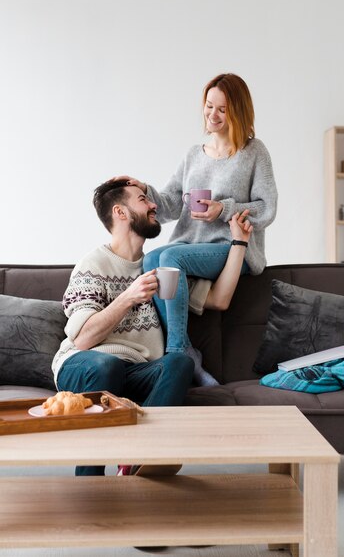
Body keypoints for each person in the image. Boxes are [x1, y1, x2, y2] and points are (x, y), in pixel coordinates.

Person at [52, 177, 252, 476]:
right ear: (120, 212)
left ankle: (136, 456)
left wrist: (239, 243)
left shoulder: (161, 269)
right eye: (143, 199)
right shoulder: (93, 265)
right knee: (108, 367)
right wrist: (128, 297)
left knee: (179, 362)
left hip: (136, 371)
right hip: (83, 366)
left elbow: (218, 300)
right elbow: (83, 340)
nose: (154, 204)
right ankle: (89, 479)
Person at [119, 73, 277, 386]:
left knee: (171, 260)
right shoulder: (193, 154)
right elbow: (170, 206)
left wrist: (226, 209)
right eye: (209, 107)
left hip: (232, 249)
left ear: (238, 111)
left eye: (222, 109)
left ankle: (177, 351)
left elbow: (267, 208)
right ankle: (188, 353)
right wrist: (143, 189)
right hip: (190, 248)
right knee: (152, 261)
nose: (213, 115)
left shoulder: (254, 151)